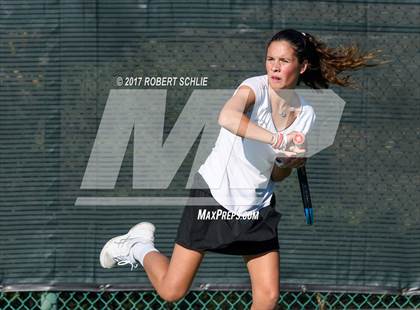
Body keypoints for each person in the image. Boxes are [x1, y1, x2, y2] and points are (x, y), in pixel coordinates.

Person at [99, 29, 378, 309]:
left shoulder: (306, 114)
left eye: (284, 60)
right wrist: (277, 139)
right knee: (172, 291)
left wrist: (289, 163)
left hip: (257, 204)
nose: (275, 67)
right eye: (270, 59)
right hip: (215, 194)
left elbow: (276, 174)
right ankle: (137, 245)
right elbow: (228, 116)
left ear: (302, 66)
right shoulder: (253, 87)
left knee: (268, 298)